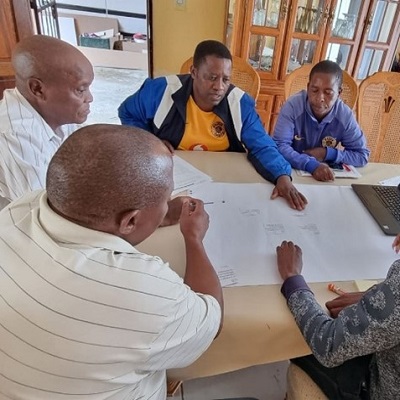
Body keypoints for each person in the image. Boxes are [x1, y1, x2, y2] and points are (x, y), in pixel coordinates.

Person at [0, 124, 223, 399]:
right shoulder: (142, 290)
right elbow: (211, 319)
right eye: (167, 199)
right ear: (129, 220)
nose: (168, 204)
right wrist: (194, 238)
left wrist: (156, 215)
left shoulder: (19, 210)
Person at [118, 39, 307, 211]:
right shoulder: (162, 91)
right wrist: (151, 141)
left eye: (226, 79)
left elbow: (262, 145)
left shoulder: (239, 103)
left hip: (223, 179)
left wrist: (282, 176)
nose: (219, 87)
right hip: (176, 180)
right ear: (193, 72)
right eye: (212, 77)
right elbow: (127, 112)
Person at [276, 234, 400, 399]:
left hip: (376, 389)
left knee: (298, 344)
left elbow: (326, 343)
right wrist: (376, 298)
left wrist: (292, 278)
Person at [0, 34, 94, 202]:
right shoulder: (14, 134)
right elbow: (41, 208)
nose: (90, 98)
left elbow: (88, 151)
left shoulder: (56, 112)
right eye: (81, 90)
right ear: (38, 89)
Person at [273, 60, 370, 182]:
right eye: (314, 90)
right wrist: (311, 165)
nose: (320, 98)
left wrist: (326, 153)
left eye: (328, 93)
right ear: (308, 87)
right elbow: (279, 146)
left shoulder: (345, 116)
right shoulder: (293, 106)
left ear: (339, 93)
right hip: (291, 173)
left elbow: (362, 155)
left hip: (326, 178)